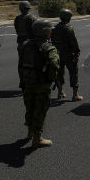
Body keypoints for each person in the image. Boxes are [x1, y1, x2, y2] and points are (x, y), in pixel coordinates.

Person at [19, 20, 59, 148]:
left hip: (28, 81)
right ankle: (37, 138)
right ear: (46, 33)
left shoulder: (26, 45)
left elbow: (20, 65)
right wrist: (51, 78)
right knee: (40, 110)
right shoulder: (49, 47)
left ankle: (30, 132)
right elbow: (54, 65)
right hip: (42, 84)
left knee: (29, 107)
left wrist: (22, 80)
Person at [51, 9, 83, 101]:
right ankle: (75, 95)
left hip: (58, 54)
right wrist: (76, 53)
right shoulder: (69, 28)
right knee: (73, 73)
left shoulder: (55, 28)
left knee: (59, 73)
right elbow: (74, 43)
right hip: (69, 54)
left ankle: (60, 92)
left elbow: (52, 42)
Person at [14, 1, 36, 88]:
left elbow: (17, 30)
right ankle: (30, 81)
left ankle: (22, 81)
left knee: (21, 63)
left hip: (20, 43)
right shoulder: (32, 18)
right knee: (31, 63)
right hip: (30, 43)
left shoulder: (17, 18)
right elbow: (35, 31)